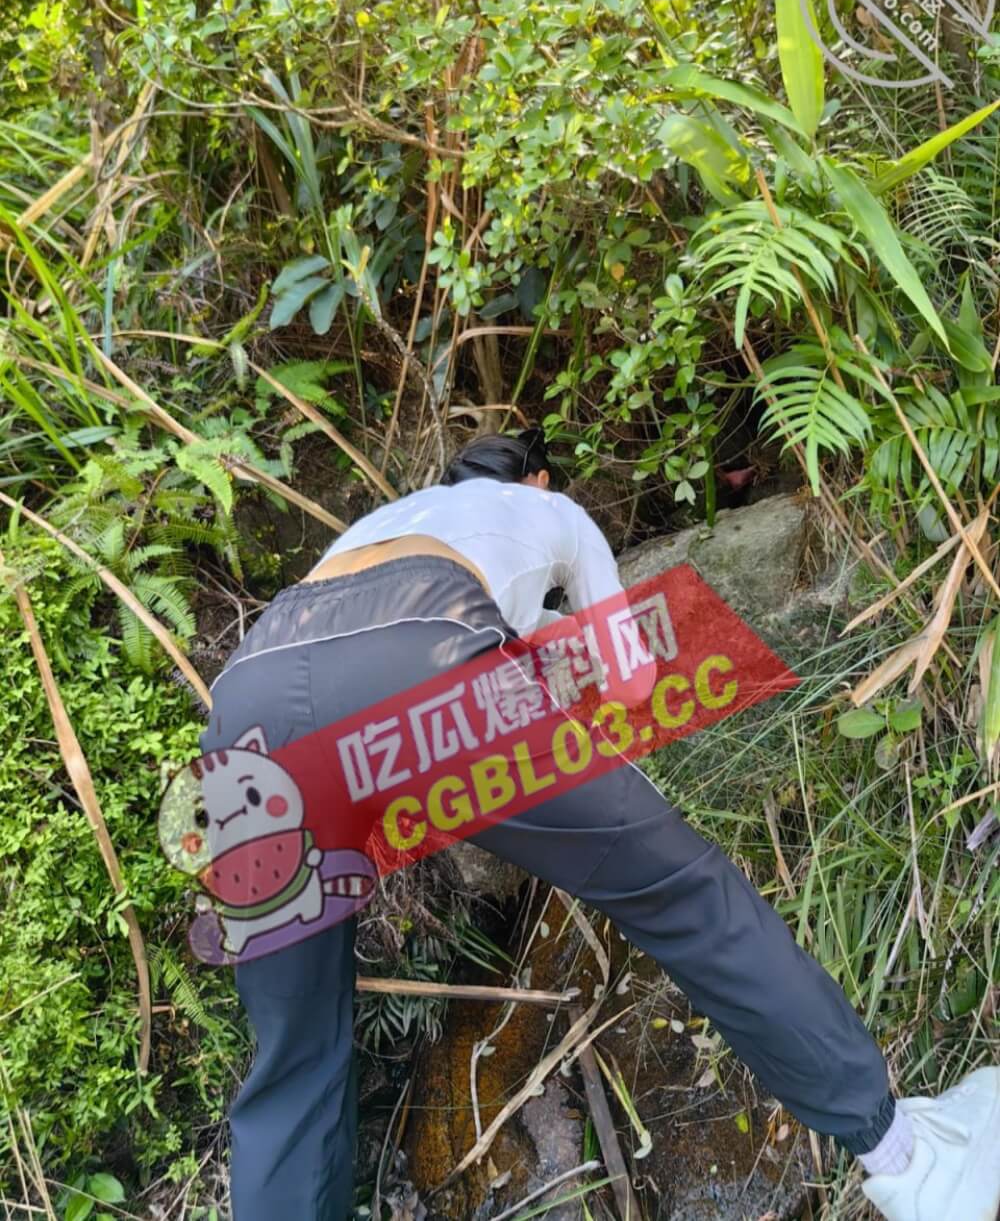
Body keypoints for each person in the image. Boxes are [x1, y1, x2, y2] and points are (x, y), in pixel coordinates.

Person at [199, 428, 1000, 1221]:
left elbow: (328, 683)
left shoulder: (383, 523)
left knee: (295, 1054)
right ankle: (908, 1159)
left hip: (247, 705)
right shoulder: (547, 511)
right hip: (423, 647)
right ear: (539, 477)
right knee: (684, 893)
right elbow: (629, 680)